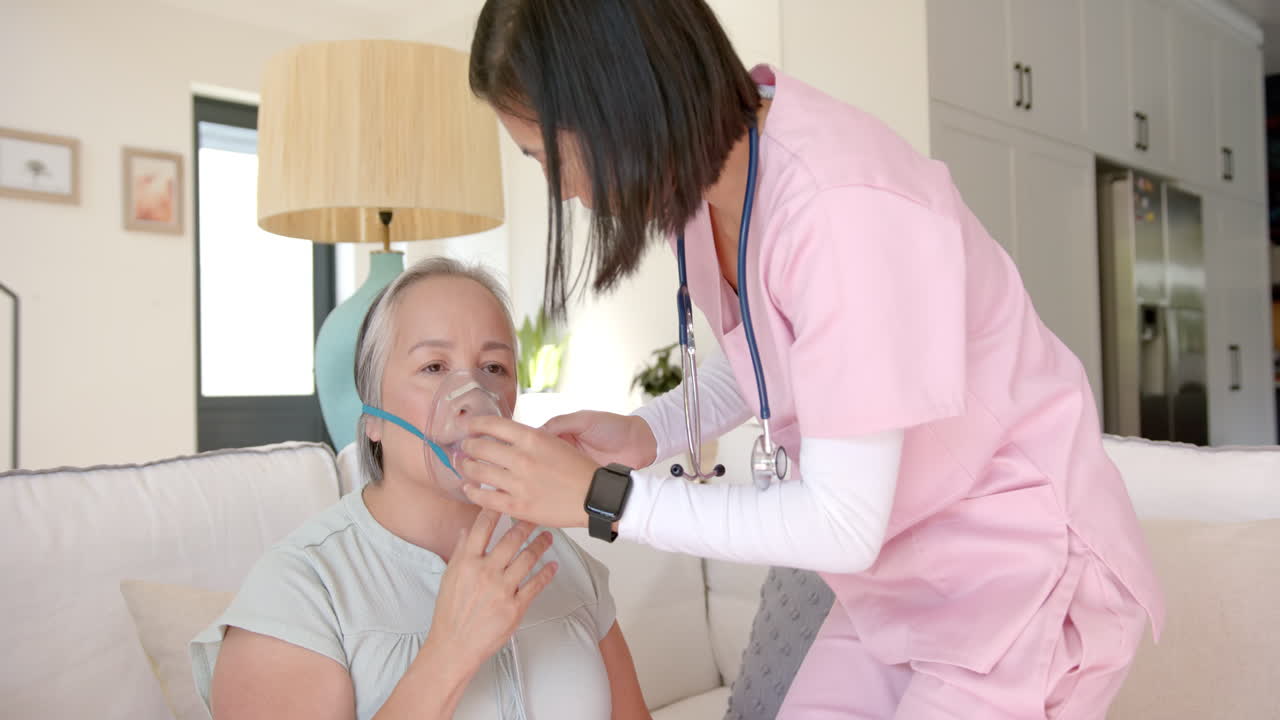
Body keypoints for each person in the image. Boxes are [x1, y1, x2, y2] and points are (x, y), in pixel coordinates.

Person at [455, 1, 1165, 718]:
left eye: (547, 154)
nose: (562, 189)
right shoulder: (705, 192)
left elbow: (841, 522)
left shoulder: (839, 210)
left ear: (623, 101)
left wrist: (603, 496)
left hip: (1017, 576)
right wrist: (650, 431)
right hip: (898, 579)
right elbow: (779, 349)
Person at [190, 258, 650, 720]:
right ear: (372, 416)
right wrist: (450, 653)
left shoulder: (559, 561)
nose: (472, 396)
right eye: (433, 366)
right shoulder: (299, 597)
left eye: (494, 366)